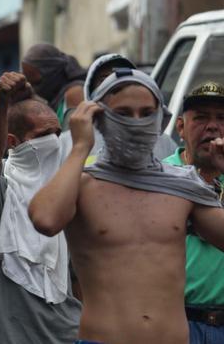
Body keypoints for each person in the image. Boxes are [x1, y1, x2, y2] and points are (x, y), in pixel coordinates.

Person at [28, 69, 224, 343]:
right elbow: (45, 219)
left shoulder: (182, 186)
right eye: (123, 113)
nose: (136, 122)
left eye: (146, 113)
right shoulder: (84, 183)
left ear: (159, 119)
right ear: (99, 118)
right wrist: (81, 146)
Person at [0, 72, 82, 343]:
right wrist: (0, 103)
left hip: (65, 332)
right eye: (43, 134)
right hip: (3, 333)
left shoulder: (66, 189)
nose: (52, 141)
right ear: (12, 142)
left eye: (56, 133)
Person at [164, 82, 224, 343]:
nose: (213, 126)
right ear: (180, 128)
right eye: (200, 118)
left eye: (222, 118)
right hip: (174, 325)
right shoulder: (159, 177)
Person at [59, 53, 177, 165]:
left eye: (146, 113)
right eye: (104, 79)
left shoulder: (164, 143)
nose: (113, 82)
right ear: (90, 91)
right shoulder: (68, 143)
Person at [20, 43, 85, 124]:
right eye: (29, 81)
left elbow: (77, 132)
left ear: (52, 71)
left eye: (36, 83)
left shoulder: (74, 92)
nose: (33, 88)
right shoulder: (55, 99)